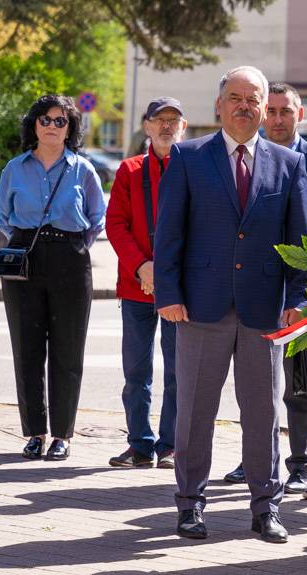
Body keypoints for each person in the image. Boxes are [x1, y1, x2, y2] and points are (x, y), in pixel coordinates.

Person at [154, 65, 307, 543]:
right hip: (200, 306)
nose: (245, 106)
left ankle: (266, 508)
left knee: (264, 412)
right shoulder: (187, 156)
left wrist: (298, 298)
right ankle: (190, 505)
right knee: (195, 410)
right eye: (236, 97)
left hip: (265, 309)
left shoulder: (288, 163)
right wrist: (169, 294)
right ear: (219, 105)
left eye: (254, 99)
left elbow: (299, 242)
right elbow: (169, 234)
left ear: (265, 108)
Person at [223, 81, 307, 494]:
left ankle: (301, 462)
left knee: (299, 384)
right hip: (253, 290)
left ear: (299, 115)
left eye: (285, 111)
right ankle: (253, 459)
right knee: (254, 385)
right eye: (270, 111)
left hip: (301, 291)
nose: (277, 119)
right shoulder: (245, 159)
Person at [0, 94, 106, 462]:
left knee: (67, 349)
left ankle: (62, 435)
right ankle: (34, 432)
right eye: (46, 119)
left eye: (61, 120)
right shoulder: (15, 167)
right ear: (34, 125)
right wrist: (27, 242)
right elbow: (2, 214)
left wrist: (69, 246)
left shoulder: (82, 169)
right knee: (26, 348)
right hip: (23, 256)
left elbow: (95, 217)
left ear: (71, 127)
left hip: (70, 258)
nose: (53, 126)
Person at [106, 97, 187, 470]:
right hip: (135, 284)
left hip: (179, 287)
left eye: (174, 120)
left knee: (177, 369)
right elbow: (116, 225)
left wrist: (166, 271)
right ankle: (140, 444)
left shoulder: (193, 167)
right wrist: (142, 266)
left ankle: (170, 445)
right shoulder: (128, 170)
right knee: (136, 370)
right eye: (160, 120)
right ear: (147, 126)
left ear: (182, 127)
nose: (167, 126)